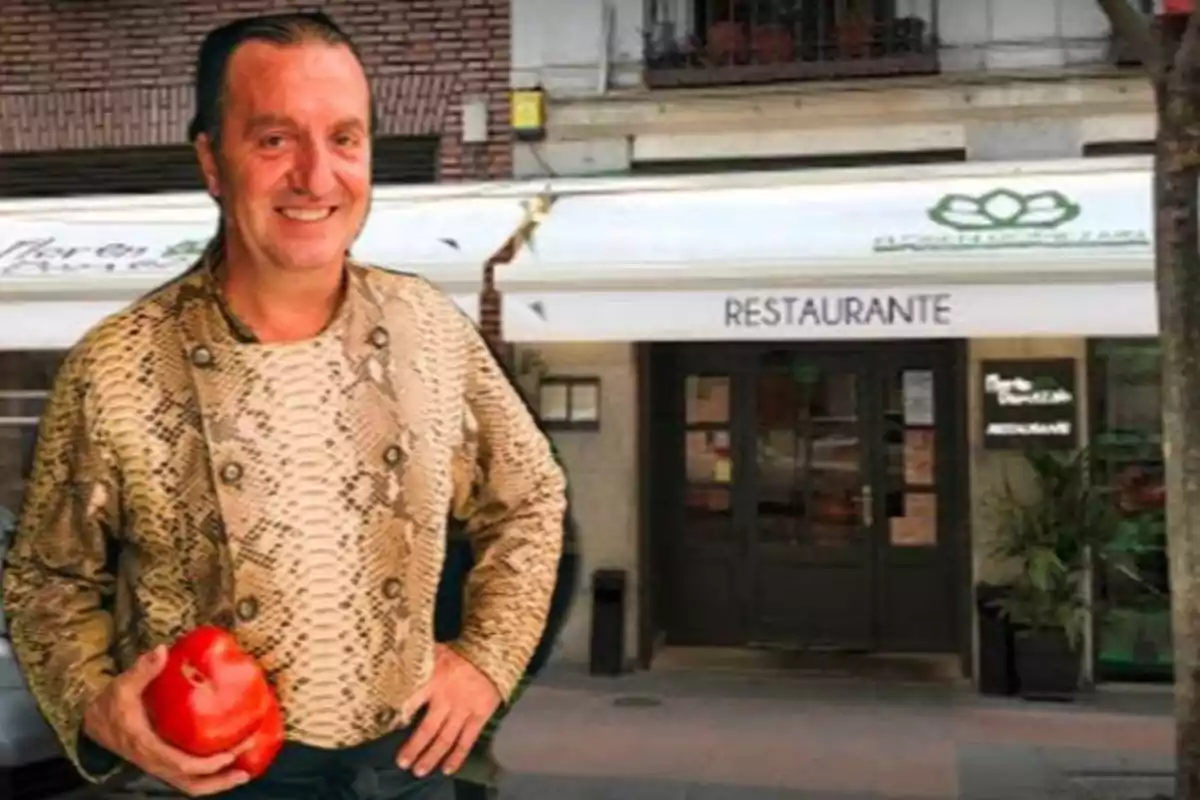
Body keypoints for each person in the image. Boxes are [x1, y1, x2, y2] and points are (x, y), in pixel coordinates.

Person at [2, 11, 571, 800]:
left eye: (345, 139)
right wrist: (98, 707)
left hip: (406, 772)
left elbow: (531, 499)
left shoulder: (430, 331)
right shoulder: (117, 365)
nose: (316, 176)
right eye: (274, 141)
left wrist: (486, 659)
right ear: (211, 159)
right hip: (202, 781)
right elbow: (45, 578)